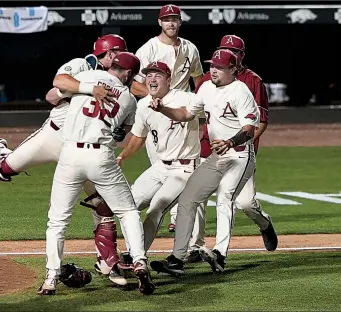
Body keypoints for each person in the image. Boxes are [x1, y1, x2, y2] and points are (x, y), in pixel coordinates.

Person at [0, 35, 131, 287]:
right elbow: (53, 91)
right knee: (6, 169)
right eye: (115, 53)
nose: (118, 59)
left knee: (103, 203)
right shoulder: (82, 65)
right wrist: (85, 89)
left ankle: (108, 261)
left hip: (82, 150)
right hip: (54, 135)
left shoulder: (120, 83)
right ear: (104, 54)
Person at [39, 52, 155, 295]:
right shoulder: (129, 98)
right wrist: (95, 93)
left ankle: (51, 277)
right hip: (101, 157)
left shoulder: (87, 75)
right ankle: (139, 262)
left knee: (58, 220)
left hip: (70, 154)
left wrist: (88, 88)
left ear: (113, 65)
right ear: (130, 75)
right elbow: (123, 131)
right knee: (128, 211)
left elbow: (59, 82)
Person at [149, 49, 260, 276]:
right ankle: (177, 260)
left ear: (233, 70)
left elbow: (249, 130)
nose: (213, 70)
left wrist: (230, 141)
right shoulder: (206, 87)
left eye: (219, 67)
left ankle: (220, 254)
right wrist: (163, 109)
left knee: (225, 197)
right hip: (218, 156)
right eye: (212, 66)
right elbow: (186, 114)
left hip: (240, 155)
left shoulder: (241, 91)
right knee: (188, 198)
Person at [185, 35, 277, 264]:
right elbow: (195, 113)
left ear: (241, 57)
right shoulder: (208, 79)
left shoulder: (252, 81)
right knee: (198, 196)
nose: (227, 54)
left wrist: (239, 144)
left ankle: (264, 224)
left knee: (245, 202)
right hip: (210, 147)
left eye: (233, 51)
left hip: (240, 151)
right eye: (224, 49)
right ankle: (196, 247)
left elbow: (260, 121)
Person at [130, 3, 204, 232]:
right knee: (161, 162)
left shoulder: (190, 48)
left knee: (185, 162)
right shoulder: (148, 49)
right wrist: (155, 99)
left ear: (180, 22)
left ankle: (176, 216)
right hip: (156, 113)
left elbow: (199, 78)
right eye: (167, 19)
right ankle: (163, 208)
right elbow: (133, 83)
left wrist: (199, 105)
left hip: (182, 111)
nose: (171, 23)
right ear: (160, 22)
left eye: (175, 19)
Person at [116, 61, 200, 252]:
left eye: (158, 75)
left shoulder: (186, 98)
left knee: (156, 209)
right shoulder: (143, 105)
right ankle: (133, 252)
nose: (152, 79)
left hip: (184, 169)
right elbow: (138, 137)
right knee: (128, 206)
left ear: (169, 80)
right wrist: (122, 157)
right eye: (149, 75)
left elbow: (184, 115)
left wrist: (162, 108)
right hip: (160, 167)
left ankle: (136, 256)